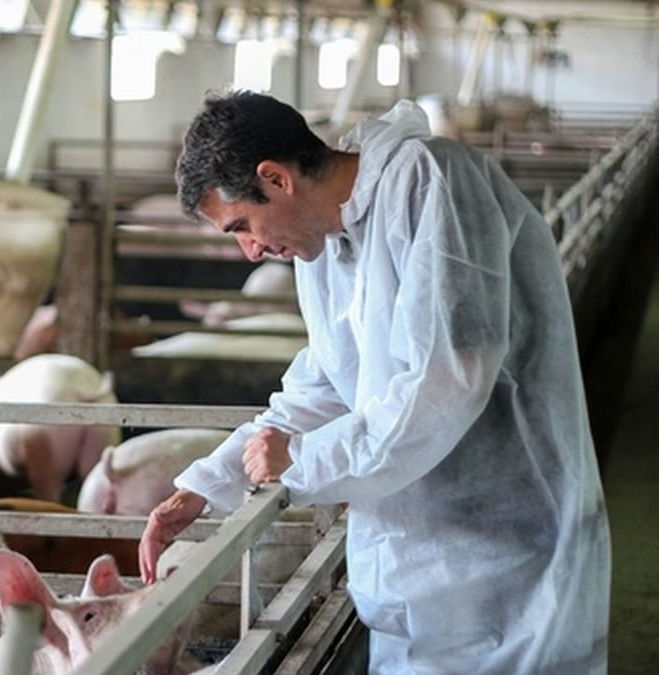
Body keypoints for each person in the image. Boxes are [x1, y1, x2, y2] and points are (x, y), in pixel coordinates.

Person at [139, 91, 610, 674]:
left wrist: (302, 461)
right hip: (412, 567)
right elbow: (326, 388)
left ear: (276, 178)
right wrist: (207, 486)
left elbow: (450, 381)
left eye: (242, 225)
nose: (250, 251)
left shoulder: (430, 182)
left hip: (506, 561)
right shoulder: (327, 252)